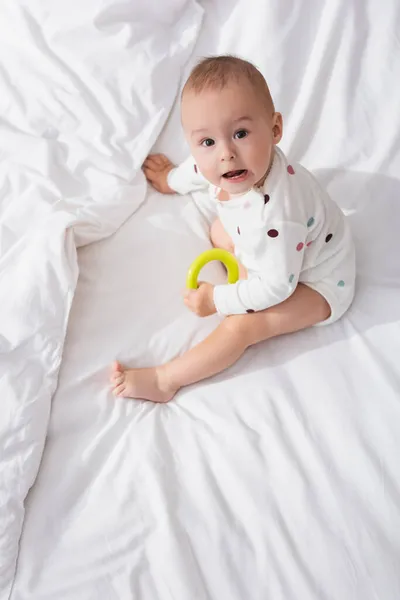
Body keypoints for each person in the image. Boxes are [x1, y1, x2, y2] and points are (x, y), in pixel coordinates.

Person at [110, 55, 355, 402]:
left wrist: (218, 299)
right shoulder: (227, 166)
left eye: (240, 133)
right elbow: (198, 168)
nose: (225, 153)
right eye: (207, 141)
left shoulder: (276, 217)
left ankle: (167, 379)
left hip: (319, 283)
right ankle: (247, 272)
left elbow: (276, 289)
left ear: (274, 130)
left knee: (242, 326)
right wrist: (169, 180)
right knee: (218, 231)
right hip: (283, 255)